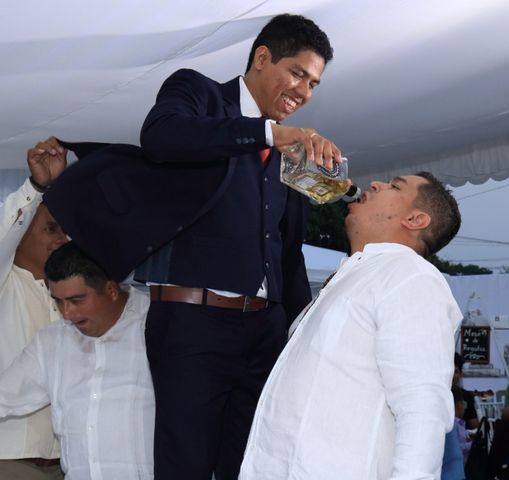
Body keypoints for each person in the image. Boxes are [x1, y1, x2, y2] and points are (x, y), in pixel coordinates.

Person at [42, 13, 336, 480]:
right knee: (186, 466)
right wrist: (264, 133)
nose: (305, 91)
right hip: (192, 323)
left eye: (314, 84)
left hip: (266, 329)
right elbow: (161, 136)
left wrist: (300, 335)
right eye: (298, 73)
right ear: (262, 58)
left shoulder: (290, 155)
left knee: (254, 464)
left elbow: (287, 252)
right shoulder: (198, 92)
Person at [240, 172, 463, 479]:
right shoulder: (358, 275)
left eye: (394, 186)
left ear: (415, 219)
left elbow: (422, 406)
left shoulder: (411, 276)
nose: (375, 184)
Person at [0, 242, 154, 479]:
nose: (67, 314)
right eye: (58, 301)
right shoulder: (52, 341)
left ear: (111, 290)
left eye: (76, 300)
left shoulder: (155, 325)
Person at [0, 137, 67, 479]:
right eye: (52, 229)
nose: (62, 240)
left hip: (67, 464)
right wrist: (36, 186)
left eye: (67, 231)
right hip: (10, 460)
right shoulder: (6, 285)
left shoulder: (74, 302)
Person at [454, 351, 480, 429]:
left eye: (455, 371)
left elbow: (474, 425)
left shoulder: (467, 396)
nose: (451, 375)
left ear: (460, 373)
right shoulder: (433, 395)